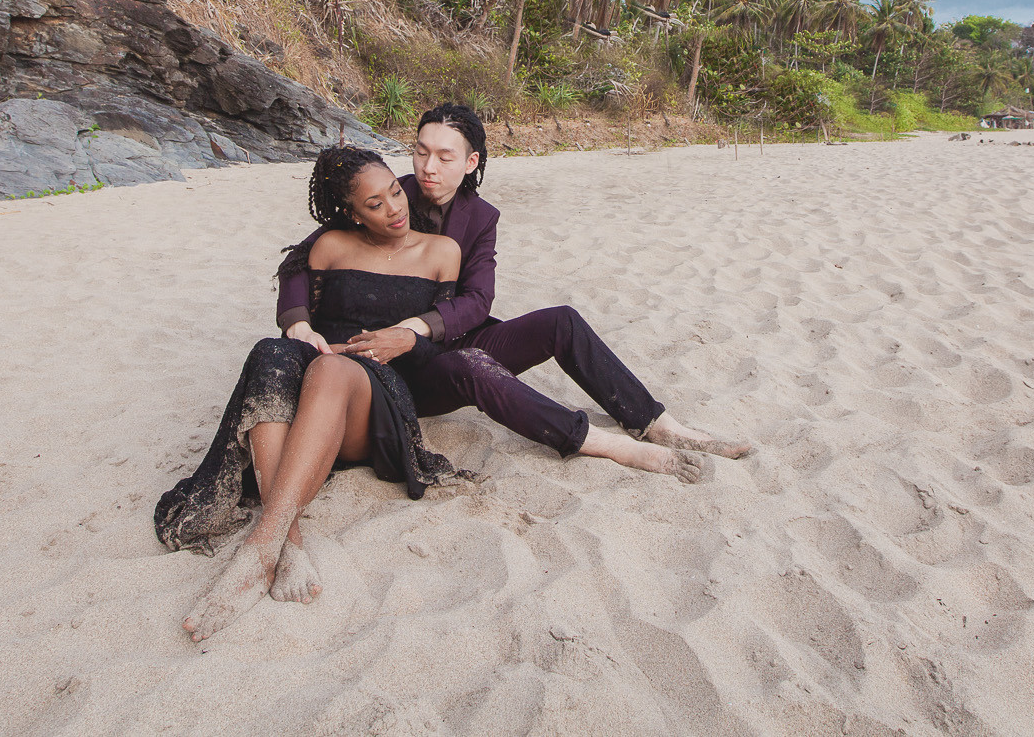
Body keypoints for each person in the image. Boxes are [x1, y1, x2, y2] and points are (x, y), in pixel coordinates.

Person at [278, 103, 752, 472]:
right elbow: (304, 258)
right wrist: (297, 322)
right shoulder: (385, 194)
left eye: (445, 157)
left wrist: (420, 326)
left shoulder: (481, 218)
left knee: (561, 321)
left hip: (444, 334)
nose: (428, 168)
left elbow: (479, 299)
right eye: (421, 151)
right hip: (388, 363)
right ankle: (598, 444)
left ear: (471, 162)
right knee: (472, 363)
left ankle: (655, 423)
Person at [156, 147, 475, 645]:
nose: (394, 208)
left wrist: (385, 344)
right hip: (311, 393)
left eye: (395, 191)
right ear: (352, 212)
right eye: (375, 204)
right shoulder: (328, 245)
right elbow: (292, 286)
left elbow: (438, 343)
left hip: (375, 400)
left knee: (331, 367)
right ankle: (288, 543)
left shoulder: (442, 252)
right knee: (272, 351)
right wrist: (300, 327)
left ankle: (259, 547)